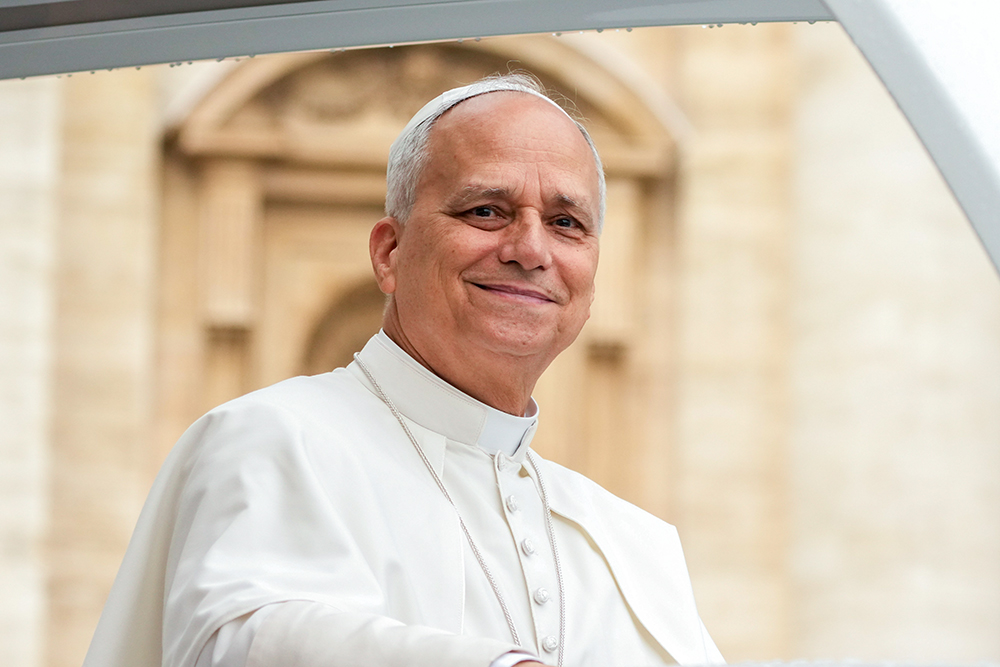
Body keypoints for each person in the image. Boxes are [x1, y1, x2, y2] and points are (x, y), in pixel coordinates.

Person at [83, 73, 724, 667]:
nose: (530, 250)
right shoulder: (272, 439)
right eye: (486, 211)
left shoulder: (635, 547)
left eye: (566, 223)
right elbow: (240, 641)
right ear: (390, 253)